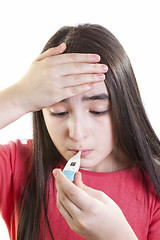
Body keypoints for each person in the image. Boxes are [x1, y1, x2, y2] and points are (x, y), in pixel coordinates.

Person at [0, 24, 160, 240]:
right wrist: (18, 97)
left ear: (125, 106)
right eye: (59, 112)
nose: (77, 133)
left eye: (97, 111)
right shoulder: (16, 165)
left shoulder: (154, 185)